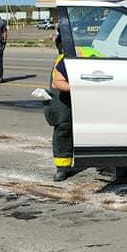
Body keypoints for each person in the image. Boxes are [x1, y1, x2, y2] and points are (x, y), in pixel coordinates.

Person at [44, 30, 74, 181]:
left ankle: (103, 163)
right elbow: (58, 82)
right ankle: (62, 167)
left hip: (71, 100)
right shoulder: (63, 61)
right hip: (62, 102)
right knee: (64, 130)